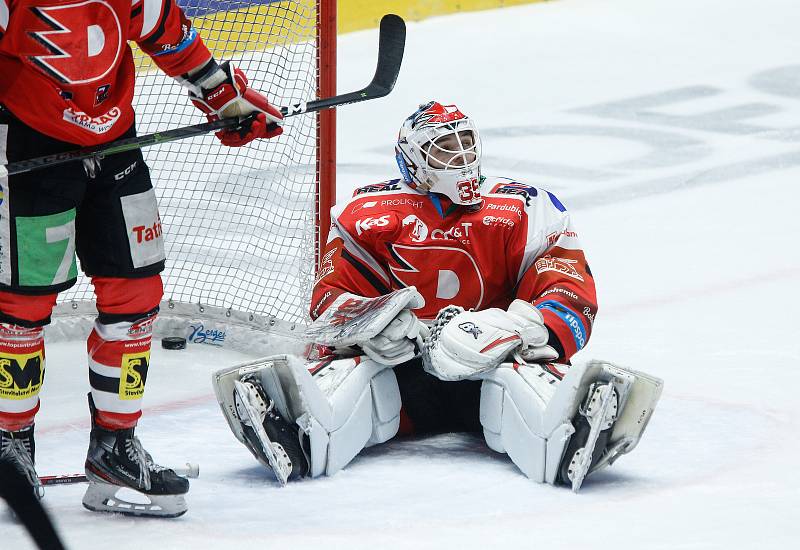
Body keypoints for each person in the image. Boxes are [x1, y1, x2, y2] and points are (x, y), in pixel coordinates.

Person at [213, 101, 662, 491]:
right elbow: (331, 299)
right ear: (414, 160)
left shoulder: (522, 206)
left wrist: (516, 327)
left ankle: (567, 437)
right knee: (353, 376)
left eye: (467, 144)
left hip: (493, 362)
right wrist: (375, 326)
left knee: (524, 380)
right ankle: (301, 433)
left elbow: (566, 282)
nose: (462, 158)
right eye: (446, 149)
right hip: (401, 368)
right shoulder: (366, 213)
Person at [0, 0, 283, 517]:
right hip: (26, 152)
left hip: (115, 149)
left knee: (136, 298)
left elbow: (166, 32)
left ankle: (115, 448)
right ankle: (10, 447)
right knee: (22, 306)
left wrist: (224, 98)